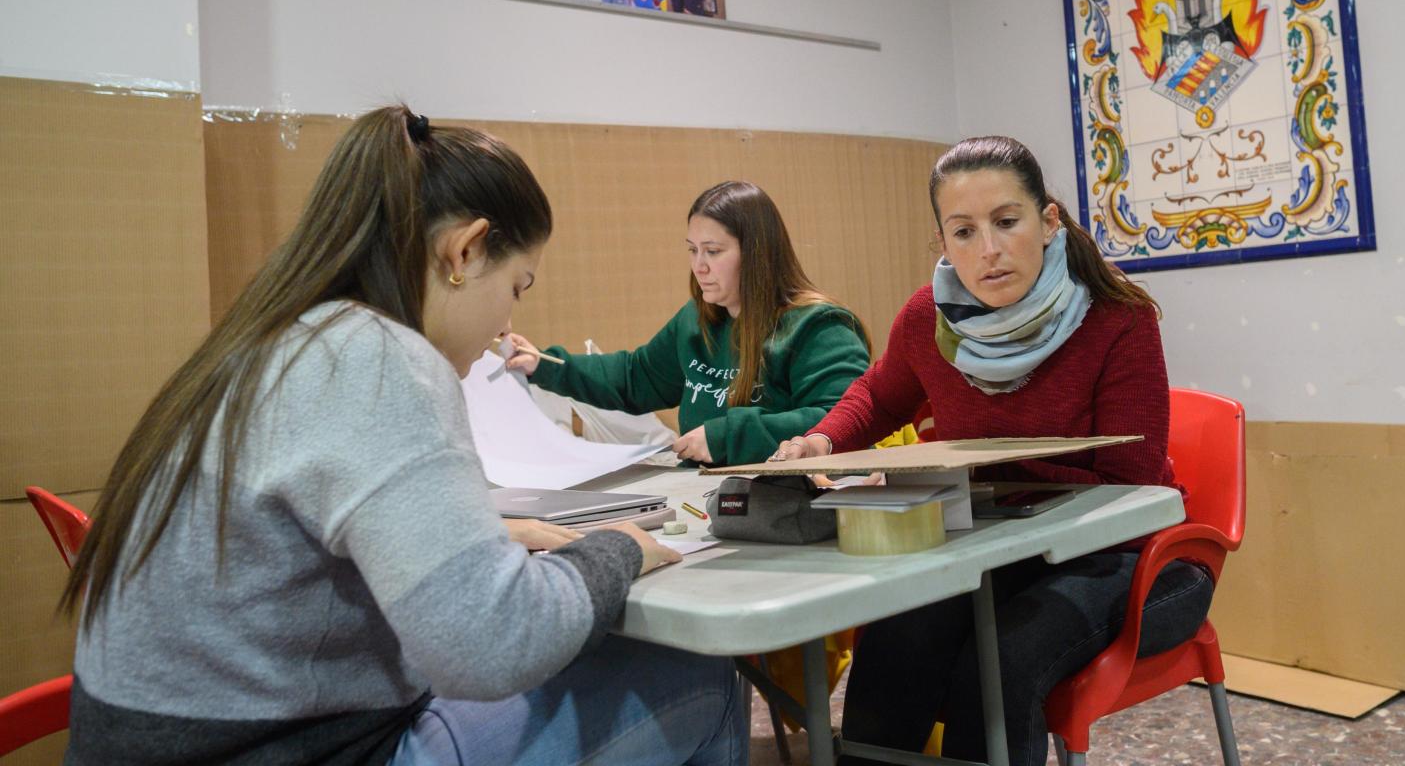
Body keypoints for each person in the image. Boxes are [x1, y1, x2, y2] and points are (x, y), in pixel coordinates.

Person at [62, 106, 746, 765]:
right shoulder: (378, 359)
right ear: (465, 250)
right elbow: (490, 644)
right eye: (517, 287)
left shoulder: (275, 340)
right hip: (281, 749)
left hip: (174, 738)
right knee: (703, 678)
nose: (502, 330)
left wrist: (487, 539)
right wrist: (616, 548)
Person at [770, 136, 1215, 766]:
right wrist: (822, 440)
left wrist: (999, 485)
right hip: (998, 550)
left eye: (1007, 222)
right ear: (943, 243)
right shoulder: (931, 315)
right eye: (964, 232)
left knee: (1001, 661)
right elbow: (879, 394)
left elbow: (1131, 482)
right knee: (895, 640)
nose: (989, 250)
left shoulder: (1116, 316)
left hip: (1128, 559)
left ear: (1048, 220)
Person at [508, 181, 870, 468]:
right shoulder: (697, 319)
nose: (699, 266)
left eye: (713, 252)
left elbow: (843, 419)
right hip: (709, 496)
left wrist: (727, 437)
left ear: (758, 255)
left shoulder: (820, 327)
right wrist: (546, 365)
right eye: (692, 250)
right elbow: (636, 377)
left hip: (792, 501)